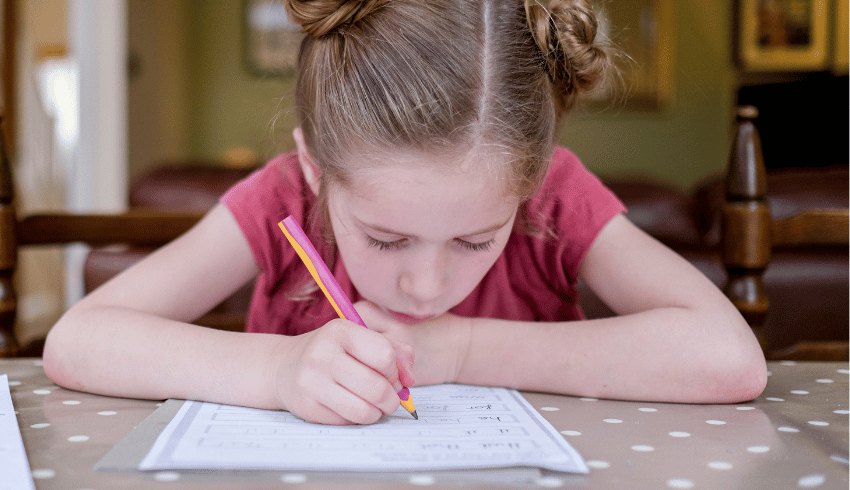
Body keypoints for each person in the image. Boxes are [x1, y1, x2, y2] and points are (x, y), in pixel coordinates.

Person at [43, 0, 767, 426]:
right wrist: (277, 371)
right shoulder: (281, 198)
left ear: (531, 183)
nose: (425, 285)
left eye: (478, 239)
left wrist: (462, 350)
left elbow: (728, 359)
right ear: (315, 171)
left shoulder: (554, 196)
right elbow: (79, 340)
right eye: (386, 240)